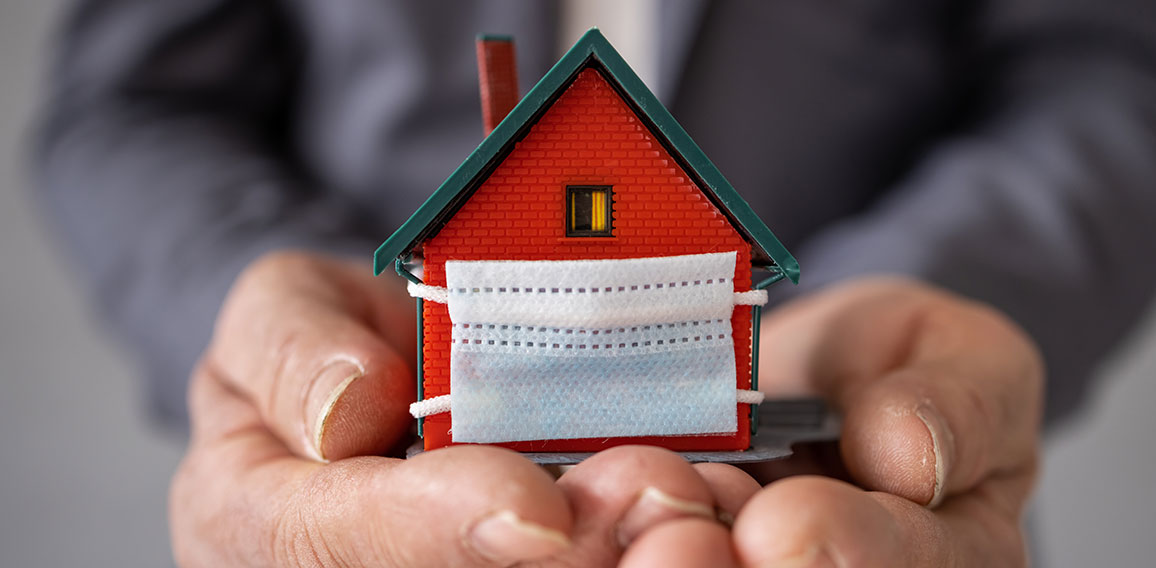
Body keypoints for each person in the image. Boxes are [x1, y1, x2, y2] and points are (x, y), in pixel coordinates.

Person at [32, 0, 1156, 566]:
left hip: (853, 496)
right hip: (395, 446)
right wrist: (260, 324)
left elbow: (1098, 68)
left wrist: (921, 306)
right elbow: (136, 102)